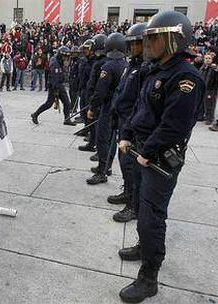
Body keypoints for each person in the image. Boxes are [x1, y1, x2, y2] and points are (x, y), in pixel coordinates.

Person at [117, 11, 205, 303]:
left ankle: (148, 277)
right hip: (143, 150)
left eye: (155, 37)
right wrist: (128, 134)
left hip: (158, 158)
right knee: (142, 209)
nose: (149, 43)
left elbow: (175, 126)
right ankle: (144, 247)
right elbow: (140, 109)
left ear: (173, 40)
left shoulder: (185, 77)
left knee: (152, 217)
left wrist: (149, 151)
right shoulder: (155, 69)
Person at [108, 23, 148, 223]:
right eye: (130, 43)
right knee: (124, 163)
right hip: (123, 120)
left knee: (131, 166)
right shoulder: (131, 65)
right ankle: (127, 193)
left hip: (133, 124)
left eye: (136, 43)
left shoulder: (144, 68)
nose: (132, 47)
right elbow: (122, 92)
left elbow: (140, 101)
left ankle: (133, 205)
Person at [87, 33, 128, 185]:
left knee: (102, 138)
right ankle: (107, 167)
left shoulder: (108, 66)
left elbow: (100, 91)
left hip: (108, 107)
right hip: (119, 108)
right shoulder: (126, 64)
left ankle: (102, 171)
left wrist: (92, 107)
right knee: (111, 140)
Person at [77, 34, 107, 157]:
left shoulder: (101, 62)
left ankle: (98, 149)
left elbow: (98, 83)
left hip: (96, 96)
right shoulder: (90, 60)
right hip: (87, 92)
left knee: (97, 123)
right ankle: (92, 140)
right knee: (89, 119)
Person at [30, 46, 76, 126]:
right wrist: (56, 91)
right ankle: (35, 114)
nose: (66, 58)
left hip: (59, 84)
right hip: (55, 85)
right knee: (49, 104)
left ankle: (67, 119)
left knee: (67, 102)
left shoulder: (58, 60)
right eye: (65, 56)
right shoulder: (55, 63)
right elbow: (55, 78)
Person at [198, 52, 218, 125]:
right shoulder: (202, 67)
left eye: (209, 58)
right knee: (201, 102)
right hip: (203, 87)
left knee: (210, 104)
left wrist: (216, 69)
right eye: (206, 58)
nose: (208, 60)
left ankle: (209, 118)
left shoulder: (214, 68)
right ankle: (200, 116)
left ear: (212, 60)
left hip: (211, 89)